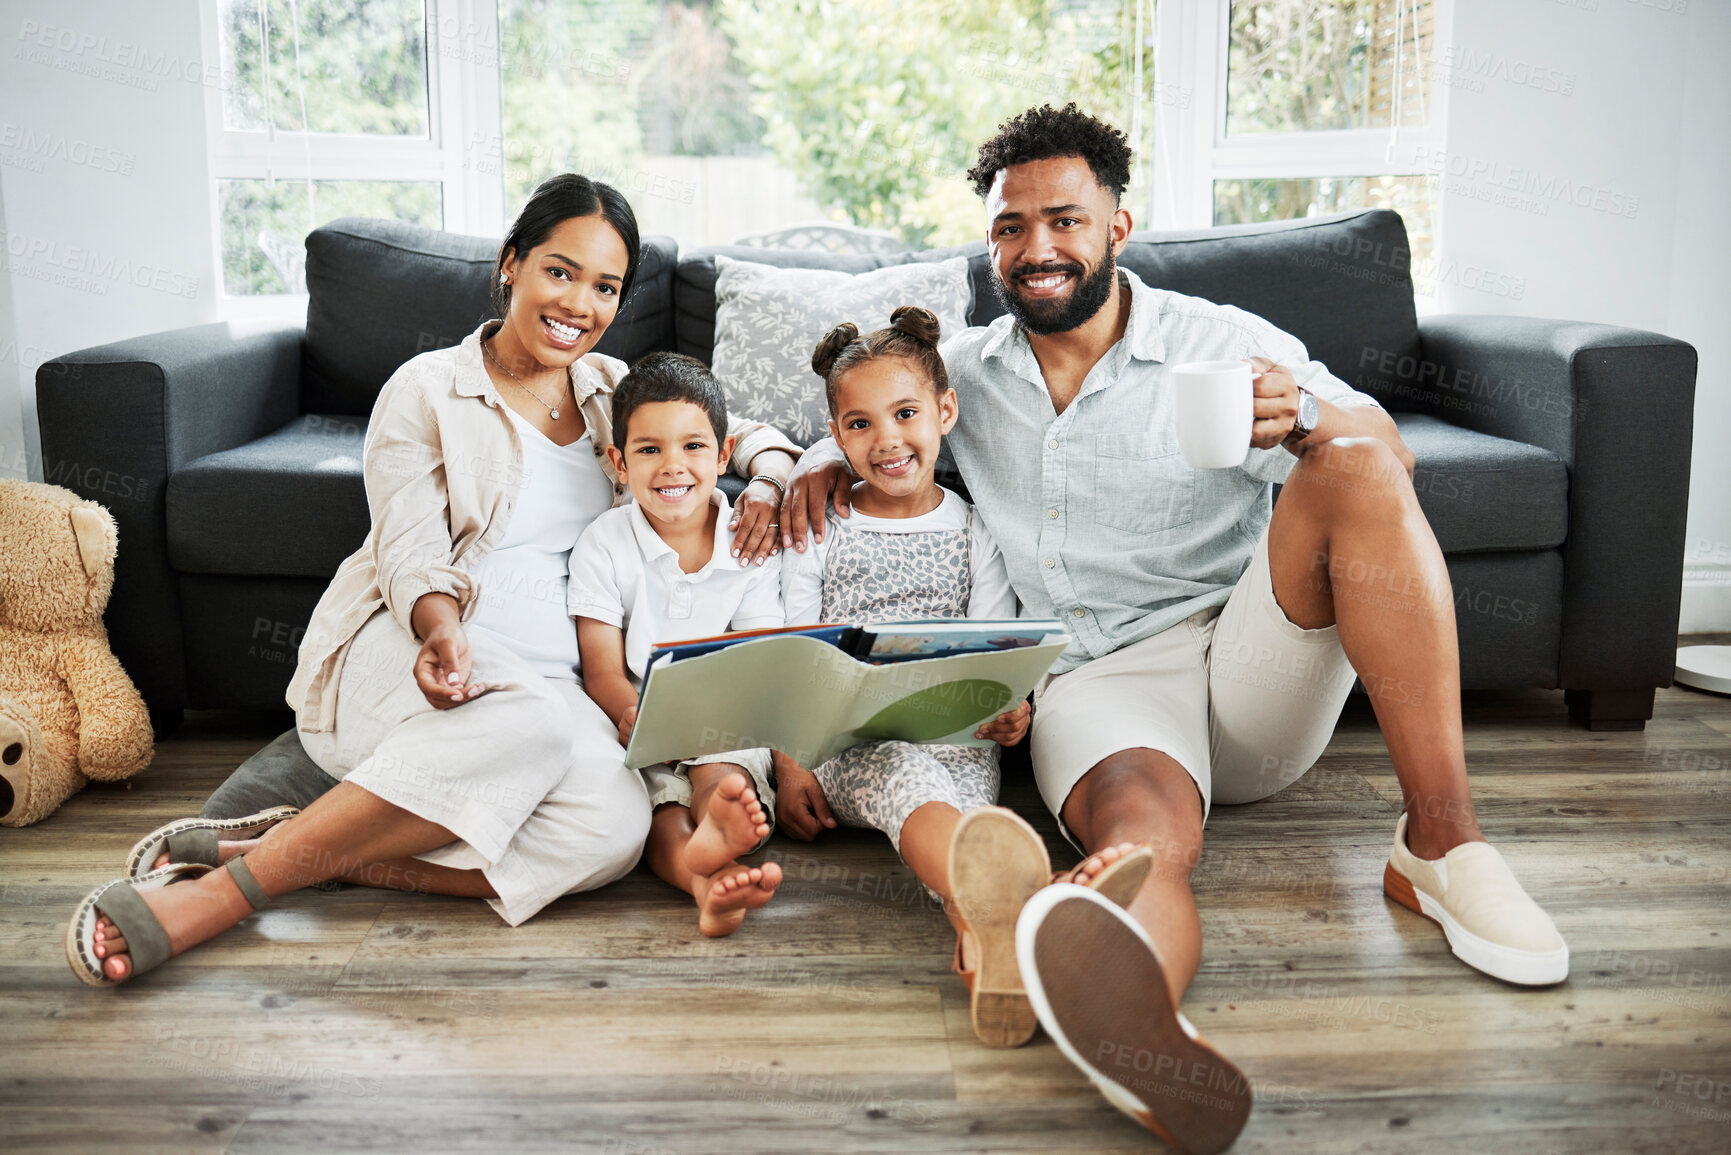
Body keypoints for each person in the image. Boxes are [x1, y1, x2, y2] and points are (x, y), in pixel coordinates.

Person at [782, 105, 1567, 1154]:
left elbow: (1386, 451)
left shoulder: (1221, 344)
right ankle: (1142, 1027)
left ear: (1118, 225)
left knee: (1355, 468)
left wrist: (1309, 418)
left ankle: (1442, 840)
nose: (1037, 247)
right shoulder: (959, 375)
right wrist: (810, 464)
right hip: (1099, 679)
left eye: (1064, 218)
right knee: (1145, 843)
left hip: (1253, 649)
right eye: (1010, 227)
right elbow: (867, 416)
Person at [70, 174, 799, 986]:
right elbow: (409, 543)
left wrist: (767, 474)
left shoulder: (605, 389)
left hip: (557, 690)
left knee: (616, 828)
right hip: (420, 652)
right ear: (511, 263)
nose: (579, 304)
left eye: (605, 287)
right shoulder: (425, 388)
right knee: (528, 722)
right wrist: (440, 624)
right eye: (560, 271)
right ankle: (225, 895)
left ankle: (319, 853)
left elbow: (726, 427)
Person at [774, 306, 1083, 1048]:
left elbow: (992, 653)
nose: (884, 439)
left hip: (961, 748)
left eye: (904, 413)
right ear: (835, 434)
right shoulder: (820, 528)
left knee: (944, 798)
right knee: (904, 770)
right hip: (850, 749)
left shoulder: (976, 529)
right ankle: (1032, 904)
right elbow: (790, 652)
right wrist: (786, 764)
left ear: (944, 411)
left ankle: (988, 951)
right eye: (858, 423)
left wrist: (1012, 710)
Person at [570, 353, 785, 938]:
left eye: (693, 447)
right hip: (640, 713)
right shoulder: (604, 543)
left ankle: (719, 827)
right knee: (658, 804)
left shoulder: (749, 542)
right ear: (618, 462)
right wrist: (634, 716)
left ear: (723, 453)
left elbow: (761, 653)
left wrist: (712, 719)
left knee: (722, 769)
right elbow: (602, 670)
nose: (672, 467)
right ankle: (700, 875)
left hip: (725, 707)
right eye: (648, 450)